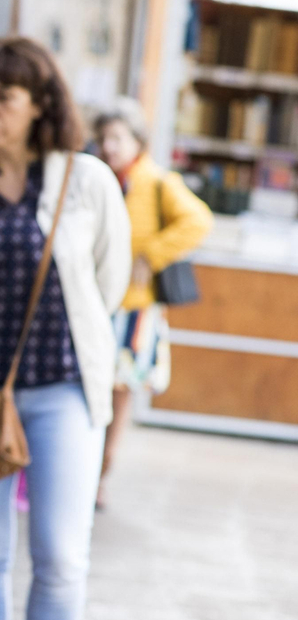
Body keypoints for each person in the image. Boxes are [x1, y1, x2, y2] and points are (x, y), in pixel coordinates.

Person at [0, 37, 131, 620]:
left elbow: (108, 284)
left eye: (5, 97)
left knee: (61, 557)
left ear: (41, 102)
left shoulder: (88, 180)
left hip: (64, 391)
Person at [93, 97, 211, 502]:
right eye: (104, 138)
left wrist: (151, 255)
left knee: (120, 390)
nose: (109, 146)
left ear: (138, 141)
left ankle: (101, 475)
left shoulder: (157, 182)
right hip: (98, 301)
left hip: (133, 308)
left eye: (117, 138)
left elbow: (198, 221)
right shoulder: (98, 178)